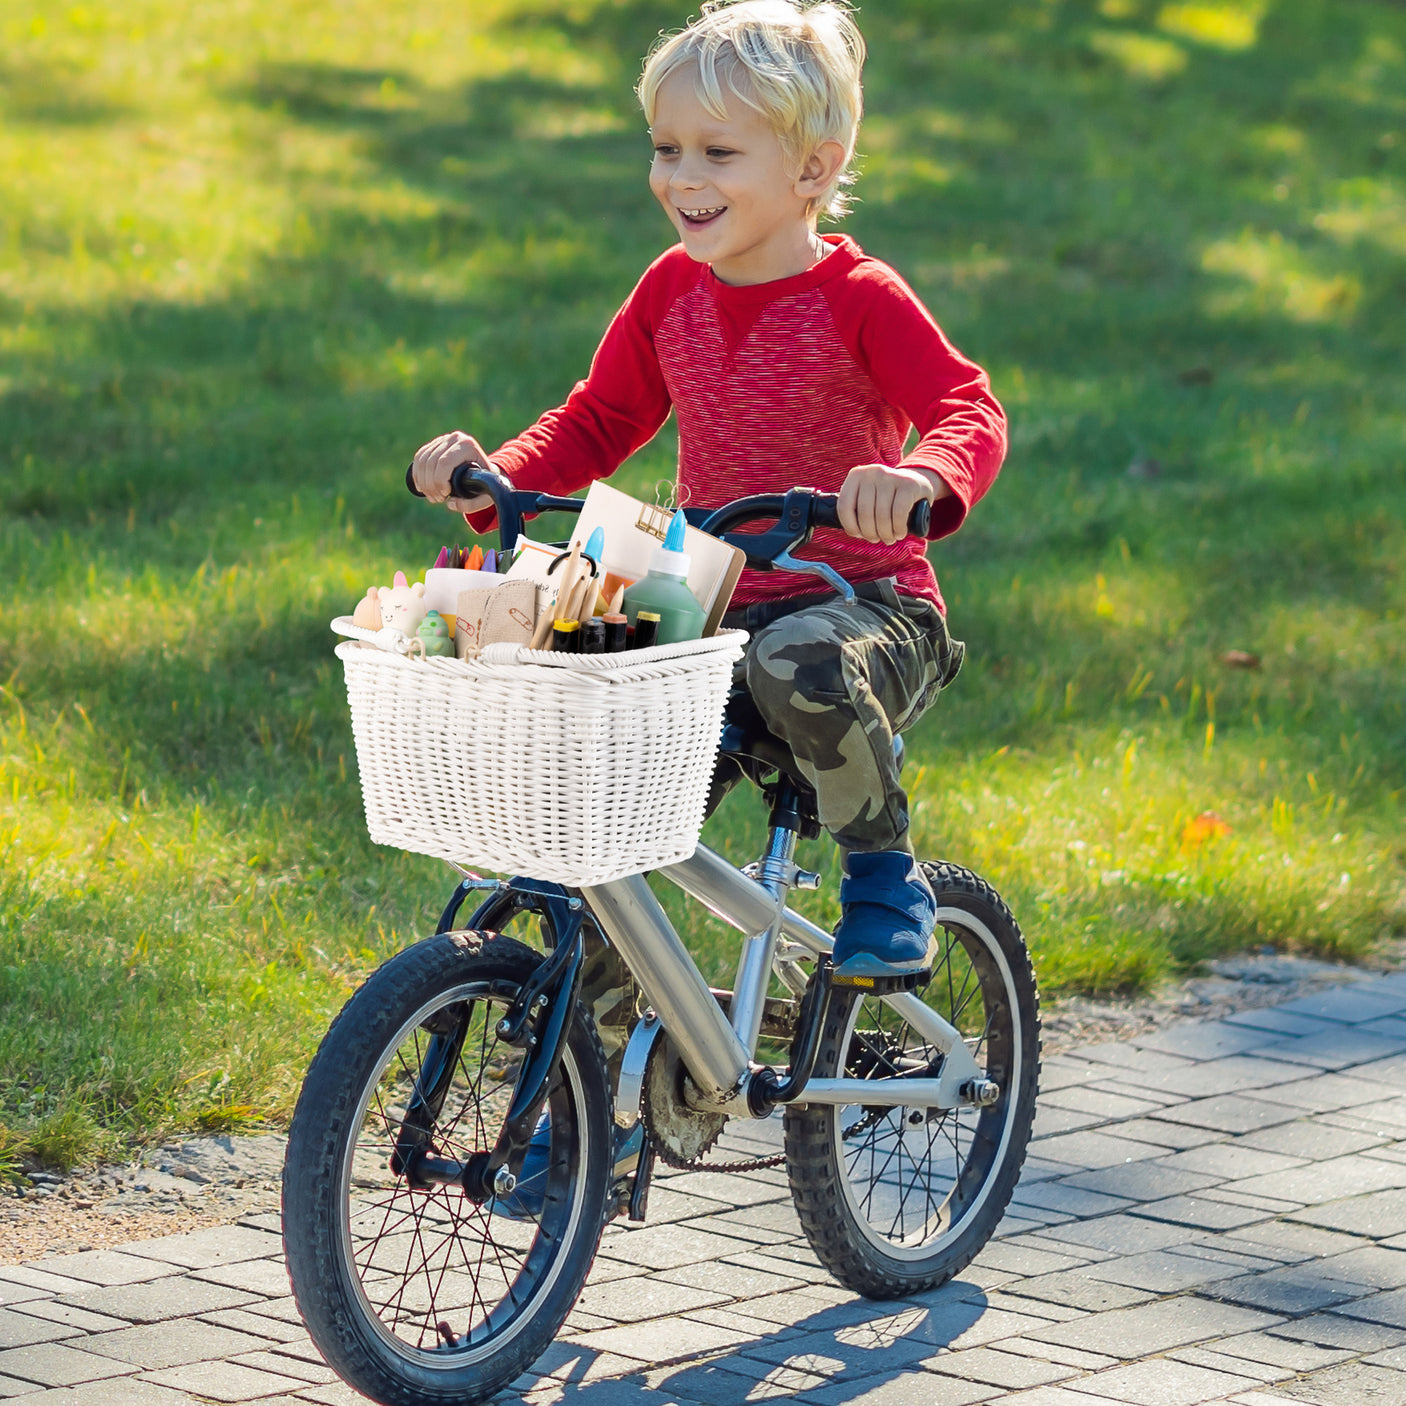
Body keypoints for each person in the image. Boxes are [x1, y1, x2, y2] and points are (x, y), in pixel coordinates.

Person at [412, 0, 1004, 1136]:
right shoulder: (668, 293)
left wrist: (923, 478)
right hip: (712, 610)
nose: (681, 174)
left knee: (797, 659)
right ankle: (589, 1109)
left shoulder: (858, 299)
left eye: (717, 153)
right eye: (666, 147)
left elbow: (963, 405)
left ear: (812, 169)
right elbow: (595, 421)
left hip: (861, 608)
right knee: (592, 808)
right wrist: (501, 475)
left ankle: (884, 876)